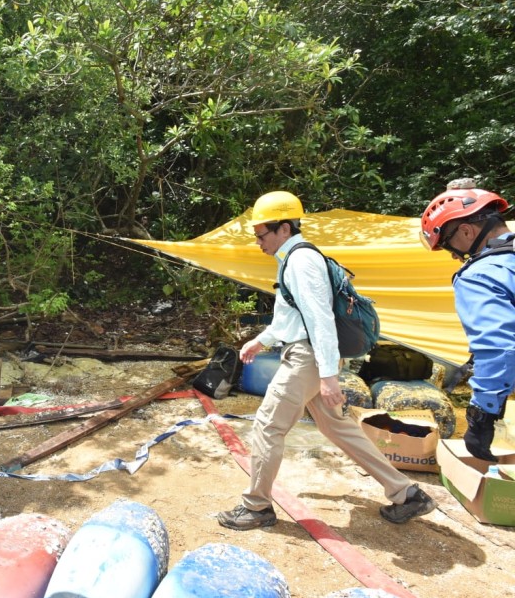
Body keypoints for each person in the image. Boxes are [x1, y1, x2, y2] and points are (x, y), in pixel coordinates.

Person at [217, 191, 437, 530]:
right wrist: (261, 341)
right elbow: (292, 318)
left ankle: (257, 507)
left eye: (261, 234)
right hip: (313, 356)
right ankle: (406, 493)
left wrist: (329, 376)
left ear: (284, 228)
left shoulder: (301, 262)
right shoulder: (294, 259)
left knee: (268, 426)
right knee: (339, 427)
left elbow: (320, 320)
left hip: (307, 359)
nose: (258, 242)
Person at [420, 183, 515, 461]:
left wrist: (482, 414)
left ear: (466, 231)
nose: (453, 254)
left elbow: (498, 349)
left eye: (447, 244)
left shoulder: (480, 275)